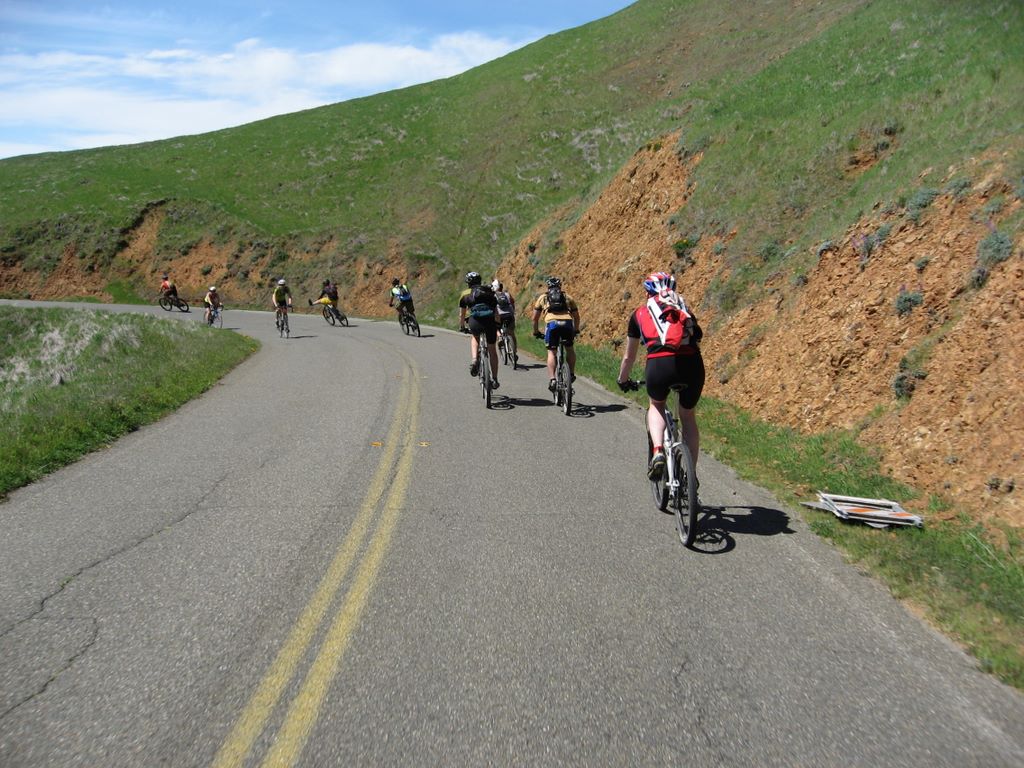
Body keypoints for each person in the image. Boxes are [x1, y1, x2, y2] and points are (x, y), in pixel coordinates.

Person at [615, 271, 705, 480]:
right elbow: (696, 339)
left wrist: (623, 379)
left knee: (656, 405)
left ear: (648, 293)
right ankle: (690, 476)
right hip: (692, 364)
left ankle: (657, 451)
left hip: (659, 364)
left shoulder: (639, 314)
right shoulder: (683, 308)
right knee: (688, 416)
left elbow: (629, 357)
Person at [531, 277, 580, 392]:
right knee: (569, 349)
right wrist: (576, 330)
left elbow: (535, 318)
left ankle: (553, 379)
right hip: (567, 323)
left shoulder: (543, 298)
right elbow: (576, 316)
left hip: (552, 324)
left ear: (548, 287)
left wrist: (536, 331)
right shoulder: (567, 297)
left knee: (552, 352)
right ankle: (571, 374)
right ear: (560, 286)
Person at [458, 272, 500, 389]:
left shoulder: (465, 294)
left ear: (468, 283)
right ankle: (495, 379)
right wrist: (498, 324)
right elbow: (496, 311)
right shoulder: (489, 291)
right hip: (489, 321)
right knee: (492, 350)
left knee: (475, 337)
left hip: (475, 321)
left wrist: (462, 327)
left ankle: (474, 360)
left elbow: (462, 314)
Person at [492, 280, 518, 364]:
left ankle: (499, 336)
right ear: (501, 287)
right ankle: (514, 352)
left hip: (499, 316)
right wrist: (512, 312)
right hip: (509, 315)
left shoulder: (493, 296)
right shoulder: (507, 294)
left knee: (495, 327)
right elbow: (512, 304)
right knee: (511, 333)